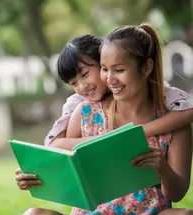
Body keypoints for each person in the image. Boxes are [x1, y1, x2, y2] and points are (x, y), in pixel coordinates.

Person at [16, 24, 193, 215]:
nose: (110, 79)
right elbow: (63, 163)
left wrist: (163, 169)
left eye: (118, 70)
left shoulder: (174, 122)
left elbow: (177, 193)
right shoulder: (84, 113)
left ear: (146, 68)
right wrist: (35, 176)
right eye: (104, 69)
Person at [44, 35, 193, 149]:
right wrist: (106, 139)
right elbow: (55, 145)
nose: (82, 86)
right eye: (74, 83)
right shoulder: (78, 104)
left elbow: (187, 112)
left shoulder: (145, 90)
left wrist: (137, 132)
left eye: (84, 75)